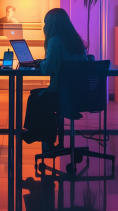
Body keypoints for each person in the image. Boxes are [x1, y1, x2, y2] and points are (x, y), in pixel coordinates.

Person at [22, 8, 87, 146]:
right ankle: (45, 136)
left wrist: (40, 63)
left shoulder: (55, 41)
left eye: (46, 23)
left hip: (62, 95)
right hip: (79, 95)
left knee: (36, 96)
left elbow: (48, 69)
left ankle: (38, 133)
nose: (44, 26)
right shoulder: (77, 41)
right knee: (40, 96)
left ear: (52, 24)